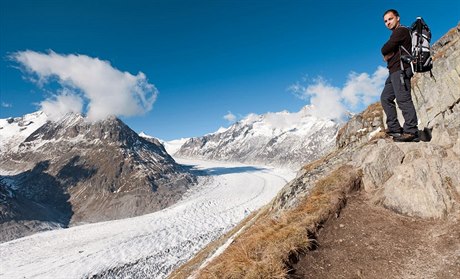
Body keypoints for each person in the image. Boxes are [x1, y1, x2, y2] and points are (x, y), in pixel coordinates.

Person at [381, 9, 419, 142]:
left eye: (390, 19)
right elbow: (389, 50)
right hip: (393, 72)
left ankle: (411, 131)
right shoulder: (396, 34)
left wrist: (387, 53)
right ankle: (394, 128)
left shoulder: (401, 31)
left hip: (401, 70)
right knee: (385, 98)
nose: (387, 23)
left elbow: (385, 49)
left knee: (403, 99)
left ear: (397, 18)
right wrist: (389, 53)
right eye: (385, 21)